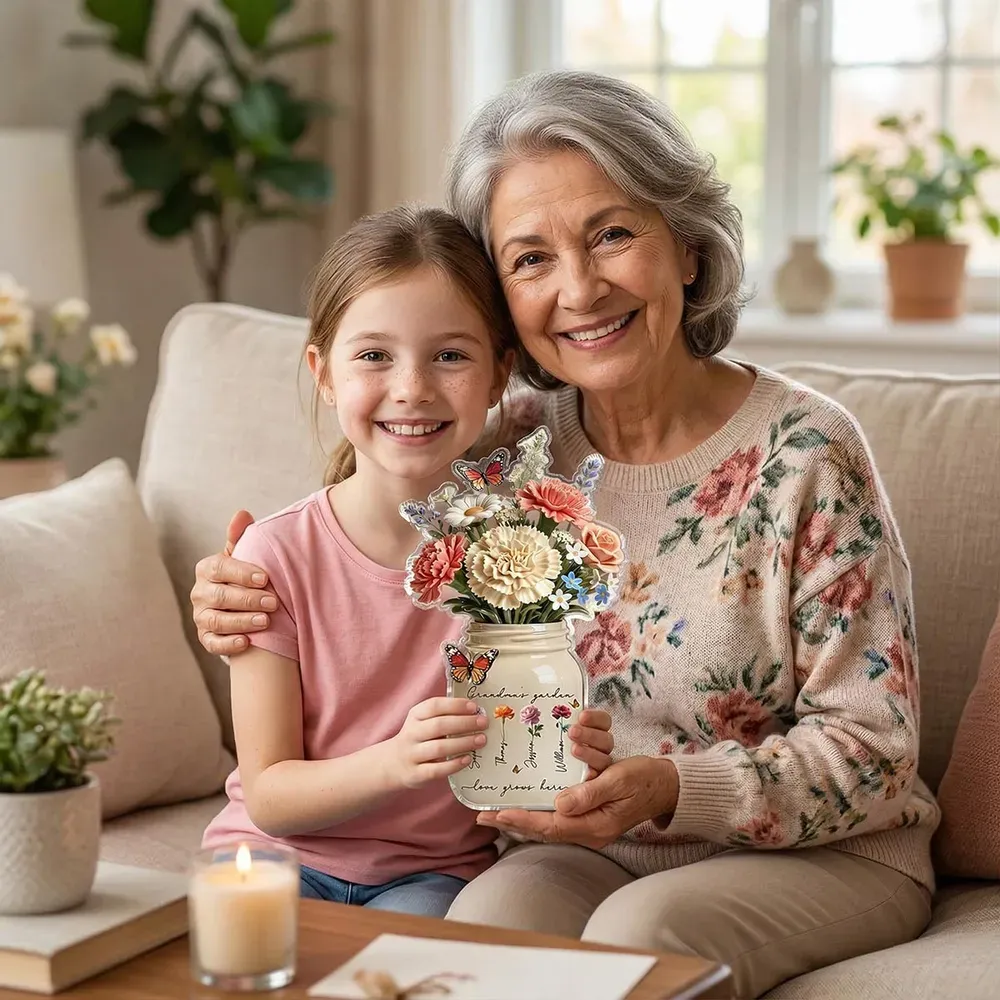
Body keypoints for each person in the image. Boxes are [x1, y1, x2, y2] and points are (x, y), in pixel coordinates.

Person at [191, 73, 940, 995]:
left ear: (690, 249)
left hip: (833, 851)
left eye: (613, 234)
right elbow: (364, 519)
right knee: (483, 935)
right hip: (580, 843)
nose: (579, 288)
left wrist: (674, 788)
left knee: (642, 932)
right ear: (503, 301)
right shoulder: (511, 446)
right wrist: (231, 592)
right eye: (531, 258)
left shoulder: (809, 455)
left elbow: (874, 749)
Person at [199, 204, 614, 917]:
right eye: (374, 356)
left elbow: (527, 737)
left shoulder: (527, 557)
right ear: (323, 373)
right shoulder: (275, 556)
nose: (412, 388)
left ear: (498, 377)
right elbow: (269, 796)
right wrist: (393, 762)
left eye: (450, 355)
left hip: (431, 878)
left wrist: (568, 749)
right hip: (271, 860)